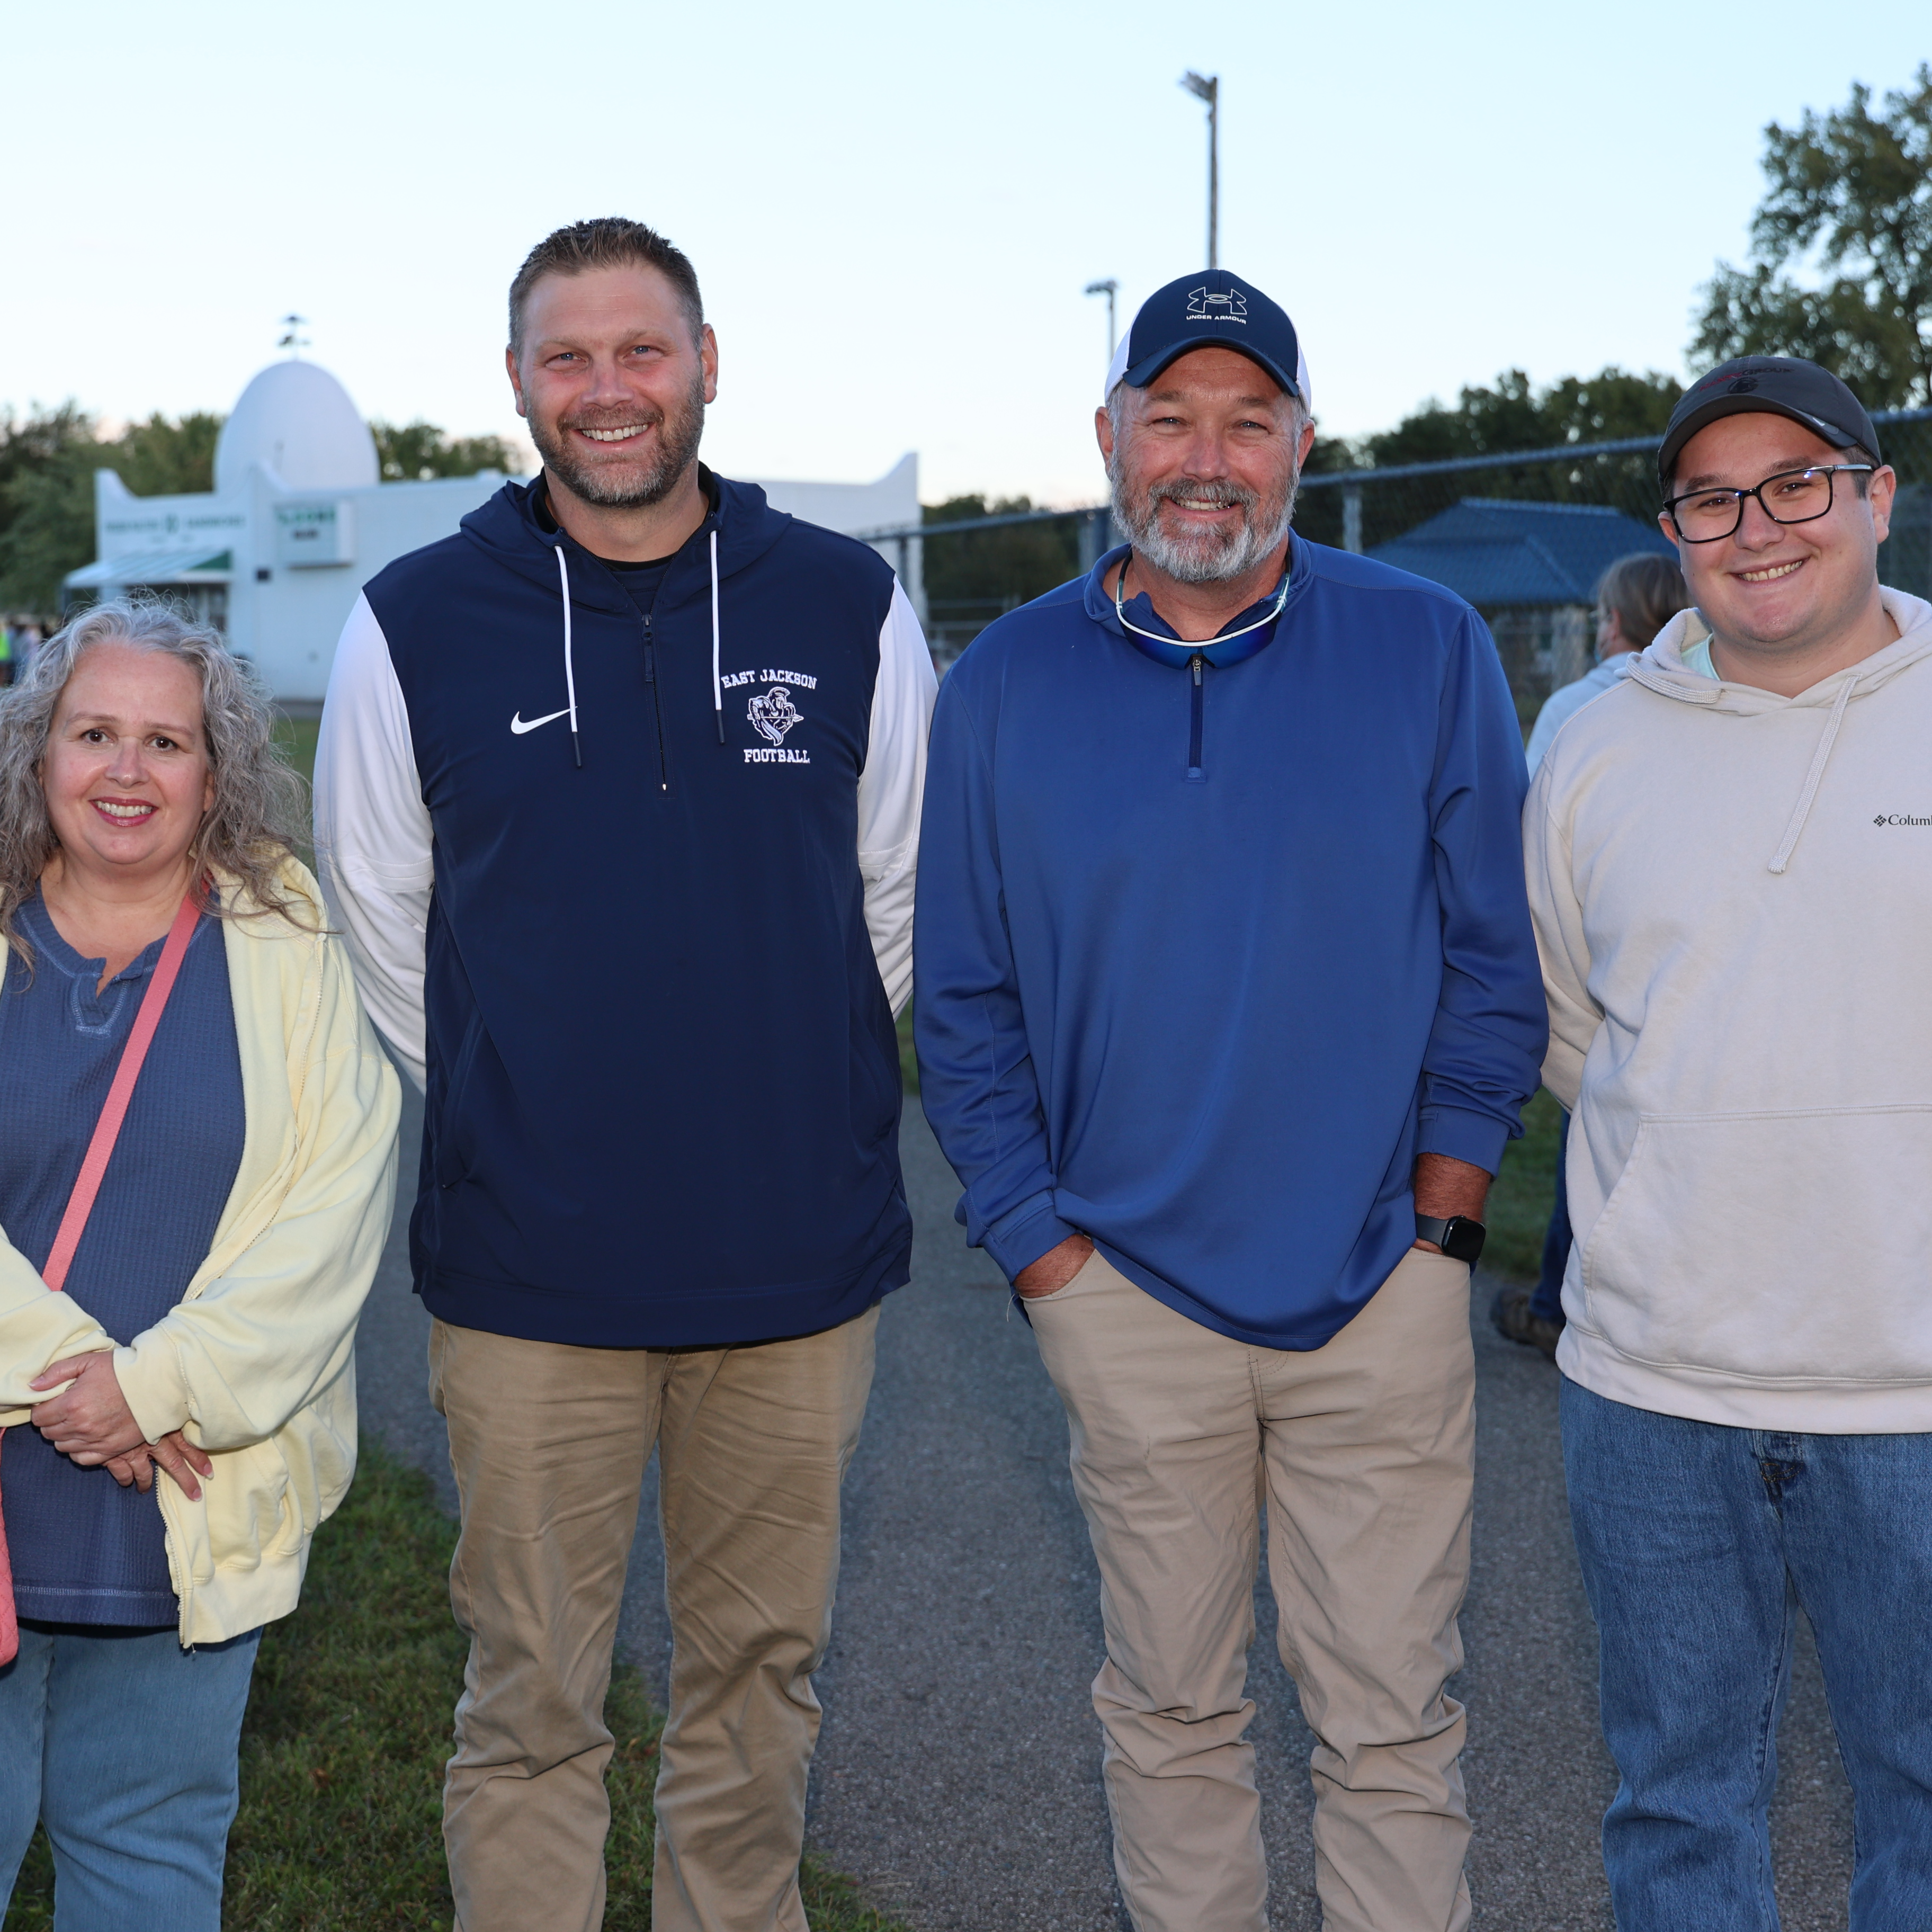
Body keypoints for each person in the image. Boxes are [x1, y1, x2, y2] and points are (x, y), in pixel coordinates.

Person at [312, 217, 936, 1932]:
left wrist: (786, 1064)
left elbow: (894, 887)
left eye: (638, 351)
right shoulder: (412, 622)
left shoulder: (844, 602)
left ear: (706, 363)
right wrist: (536, 1088)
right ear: (515, 382)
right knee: (528, 1699)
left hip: (790, 1259)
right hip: (529, 1269)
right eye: (566, 357)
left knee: (757, 1674)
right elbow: (382, 907)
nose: (606, 391)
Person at [915, 272, 1546, 1932]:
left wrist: (1446, 1224)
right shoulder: (1002, 687)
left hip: (1378, 1294)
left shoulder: (1426, 645)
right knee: (1174, 1714)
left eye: (1247, 421)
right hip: (1123, 1293)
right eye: (1172, 417)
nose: (1209, 458)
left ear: (1302, 446)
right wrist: (1043, 1256)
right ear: (1109, 436)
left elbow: (1494, 964)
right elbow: (962, 1005)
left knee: (1393, 1724)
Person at [1526, 354, 1932, 1926]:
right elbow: (1574, 1025)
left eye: (1799, 483)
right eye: (1712, 496)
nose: (1758, 525)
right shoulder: (1589, 735)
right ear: (1674, 527)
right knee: (1680, 1808)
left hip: (1912, 1390)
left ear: (1878, 497)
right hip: (1655, 1386)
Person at [0, 598, 399, 1929]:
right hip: (25, 1471)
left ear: (216, 771)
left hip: (185, 1491)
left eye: (165, 742)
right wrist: (83, 1384)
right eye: (93, 733)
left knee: (152, 1854)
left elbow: (333, 1205)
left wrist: (162, 1383)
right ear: (37, 749)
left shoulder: (287, 934)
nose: (126, 771)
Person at [1493, 550, 1687, 1359]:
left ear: (1616, 619)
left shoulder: (1579, 702)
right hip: (1679, 947)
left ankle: (1559, 1302)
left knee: (1601, 1133)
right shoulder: (1713, 687)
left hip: (1596, 951)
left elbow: (1530, 832)